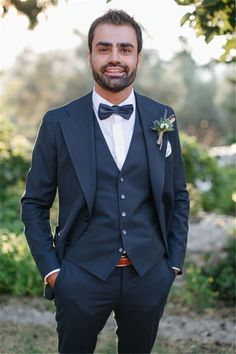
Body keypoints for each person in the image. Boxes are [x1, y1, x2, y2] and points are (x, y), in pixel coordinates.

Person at [21, 9, 189, 354]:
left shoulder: (163, 117)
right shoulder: (58, 123)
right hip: (79, 276)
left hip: (148, 275)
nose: (115, 58)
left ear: (138, 57)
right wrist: (53, 272)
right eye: (104, 48)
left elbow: (179, 196)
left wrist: (171, 265)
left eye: (125, 49)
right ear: (90, 56)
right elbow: (34, 204)